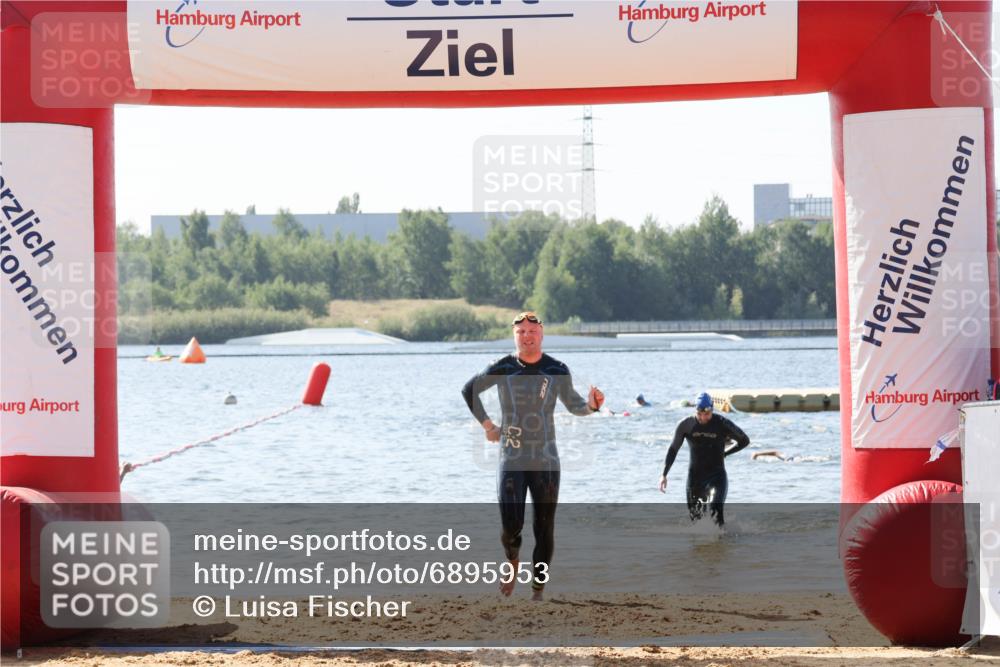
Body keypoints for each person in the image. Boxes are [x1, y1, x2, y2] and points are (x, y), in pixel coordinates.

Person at [462, 311, 604, 601]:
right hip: (511, 456)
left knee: (544, 528)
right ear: (515, 336)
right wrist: (488, 426)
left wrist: (592, 406)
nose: (527, 336)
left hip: (546, 458)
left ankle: (537, 592)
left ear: (542, 334)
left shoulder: (556, 369)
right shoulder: (502, 367)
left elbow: (575, 405)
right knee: (510, 526)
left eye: (532, 331)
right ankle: (512, 560)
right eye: (521, 332)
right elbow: (469, 390)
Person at [658, 392, 749, 527]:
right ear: (695, 410)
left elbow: (744, 440)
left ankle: (722, 543)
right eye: (699, 414)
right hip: (695, 479)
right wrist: (664, 474)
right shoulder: (685, 425)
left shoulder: (721, 423)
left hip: (717, 476)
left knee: (715, 511)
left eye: (706, 414)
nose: (703, 418)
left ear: (712, 410)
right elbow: (673, 449)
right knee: (696, 521)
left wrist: (726, 453)